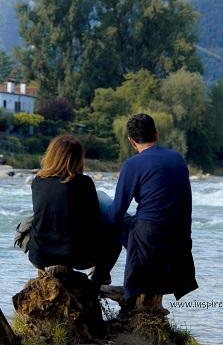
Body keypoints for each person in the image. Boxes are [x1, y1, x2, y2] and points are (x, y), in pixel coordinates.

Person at [105, 113, 198, 311]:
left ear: (131, 141)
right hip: (179, 239)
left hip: (148, 240)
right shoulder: (178, 159)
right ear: (156, 134)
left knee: (109, 215)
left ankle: (99, 277)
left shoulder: (132, 165)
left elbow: (116, 213)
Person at [28, 134, 120, 285]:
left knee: (34, 220)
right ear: (77, 158)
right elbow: (94, 220)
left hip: (39, 255)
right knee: (115, 232)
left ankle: (45, 277)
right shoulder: (84, 183)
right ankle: (99, 278)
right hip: (76, 257)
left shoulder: (38, 181)